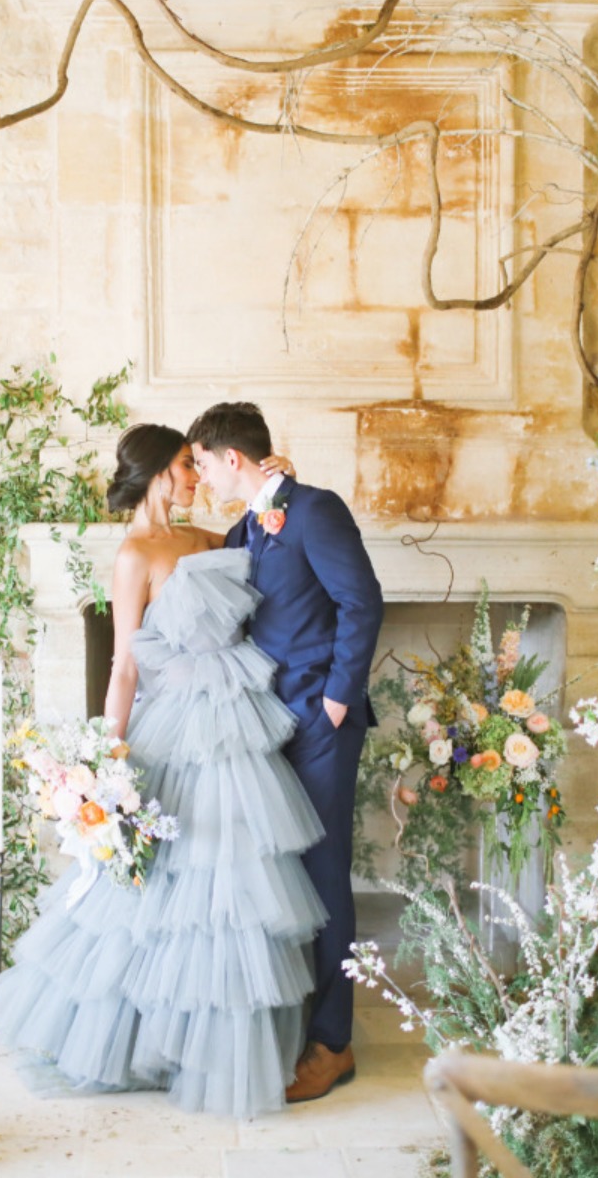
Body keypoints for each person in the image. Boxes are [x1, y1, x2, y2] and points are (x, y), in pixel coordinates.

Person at [0, 423, 326, 1118]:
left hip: (237, 720)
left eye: (196, 465)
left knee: (234, 883)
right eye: (183, 465)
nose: (194, 475)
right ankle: (146, 1038)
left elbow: (266, 538)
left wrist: (271, 483)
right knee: (164, 885)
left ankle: (224, 1040)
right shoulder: (135, 554)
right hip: (171, 727)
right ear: (155, 474)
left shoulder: (209, 538)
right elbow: (126, 664)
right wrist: (109, 757)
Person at [188, 401, 384, 1103]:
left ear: (230, 458)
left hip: (320, 722)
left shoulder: (316, 510)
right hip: (269, 724)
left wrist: (337, 699)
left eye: (202, 463)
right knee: (286, 877)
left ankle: (334, 1044)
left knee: (327, 877)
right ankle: (296, 1023)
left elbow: (362, 601)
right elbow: (221, 564)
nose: (201, 476)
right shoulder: (250, 522)